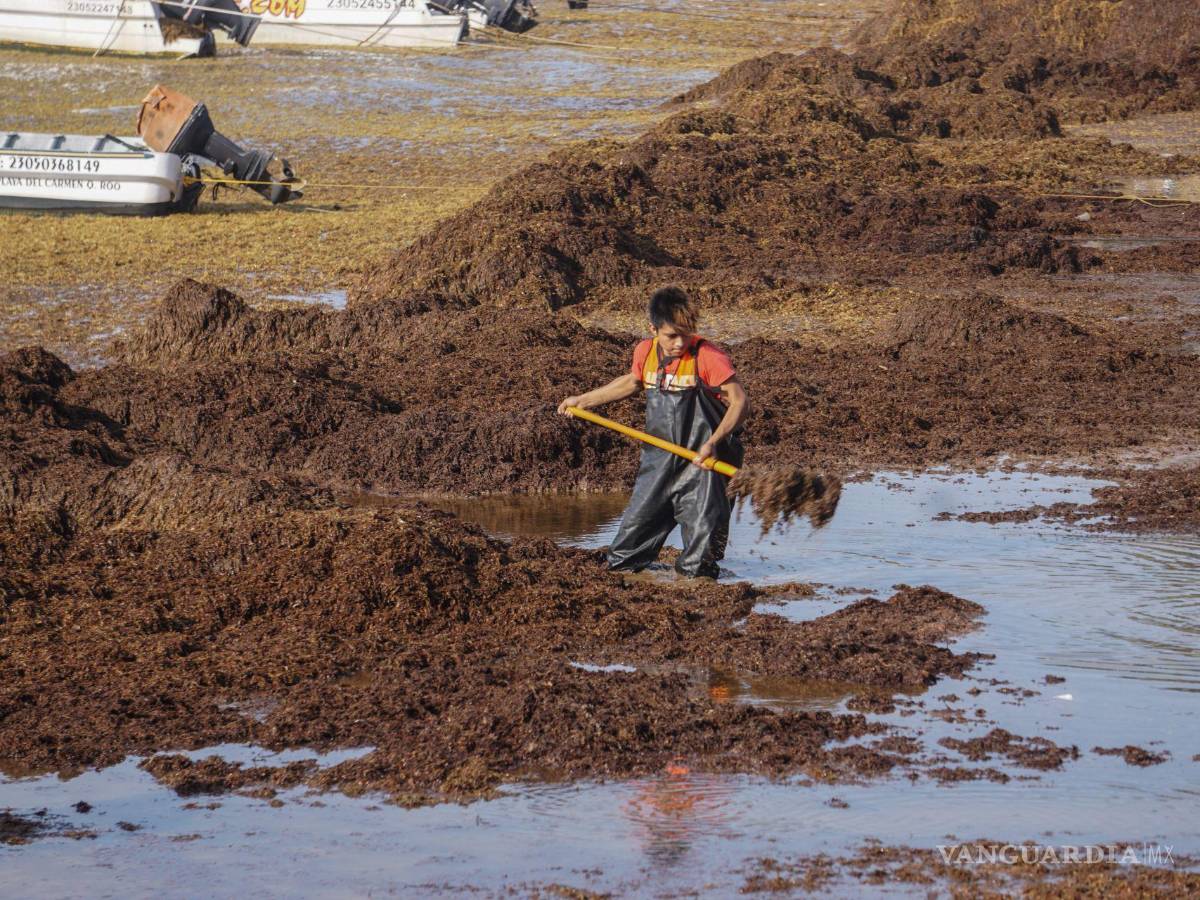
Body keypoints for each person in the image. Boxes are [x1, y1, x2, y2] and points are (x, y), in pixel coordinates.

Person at [557, 286, 749, 578]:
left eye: (686, 334)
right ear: (653, 329)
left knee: (699, 566)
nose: (679, 343)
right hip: (658, 462)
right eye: (671, 336)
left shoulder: (708, 357)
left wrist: (713, 441)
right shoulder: (645, 352)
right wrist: (582, 400)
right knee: (624, 557)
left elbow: (740, 402)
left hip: (704, 467)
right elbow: (633, 382)